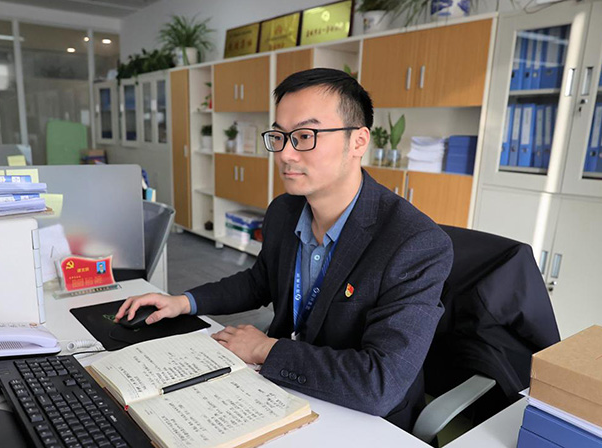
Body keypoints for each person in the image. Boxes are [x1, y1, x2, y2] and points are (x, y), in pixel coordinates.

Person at [115, 68, 453, 431]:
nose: (286, 154)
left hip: (364, 418)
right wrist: (183, 302)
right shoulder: (285, 210)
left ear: (358, 141)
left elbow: (379, 384)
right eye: (279, 136)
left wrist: (265, 349)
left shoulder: (415, 243)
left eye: (305, 136)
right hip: (281, 387)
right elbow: (260, 280)